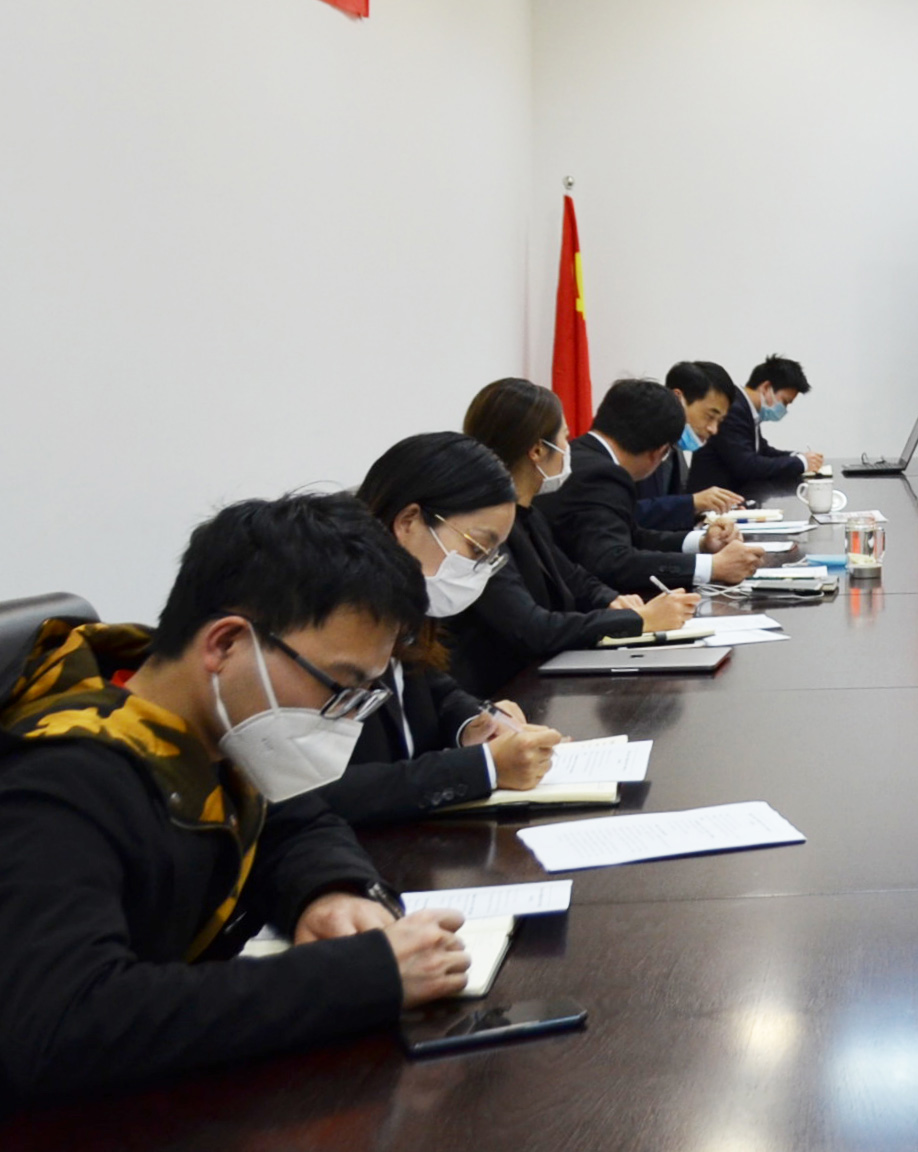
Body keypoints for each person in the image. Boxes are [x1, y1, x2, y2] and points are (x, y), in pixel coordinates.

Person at [0, 495, 474, 1110]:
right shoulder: (60, 780)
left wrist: (332, 891)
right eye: (339, 686)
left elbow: (296, 817)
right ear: (224, 644)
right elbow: (64, 1023)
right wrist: (366, 977)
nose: (345, 718)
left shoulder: (206, 727)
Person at [318, 433, 568, 826]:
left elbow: (426, 682)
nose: (478, 569)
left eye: (491, 556)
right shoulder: (327, 622)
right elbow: (317, 792)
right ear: (408, 522)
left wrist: (478, 721)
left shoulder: (402, 605)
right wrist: (484, 768)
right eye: (477, 548)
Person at [443, 377, 697, 696]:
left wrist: (611, 600)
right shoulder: (482, 530)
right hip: (501, 690)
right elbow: (533, 628)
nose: (570, 446)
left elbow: (573, 576)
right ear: (538, 450)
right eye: (565, 436)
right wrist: (639, 620)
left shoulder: (527, 514)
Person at [543, 379, 763, 598]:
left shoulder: (584, 455)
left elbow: (633, 536)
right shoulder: (601, 474)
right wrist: (712, 567)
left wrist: (702, 543)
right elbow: (612, 561)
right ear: (659, 452)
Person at [689, 355, 825, 494]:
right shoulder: (734, 408)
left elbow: (762, 451)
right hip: (712, 500)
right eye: (784, 402)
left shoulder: (746, 408)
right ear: (766, 387)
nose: (784, 409)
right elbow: (746, 465)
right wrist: (801, 463)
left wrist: (797, 456)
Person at [636, 361, 746, 529]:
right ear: (677, 399)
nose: (714, 429)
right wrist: (692, 502)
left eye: (719, 421)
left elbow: (666, 510)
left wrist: (705, 511)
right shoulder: (638, 444)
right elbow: (629, 514)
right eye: (710, 416)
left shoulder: (674, 448)